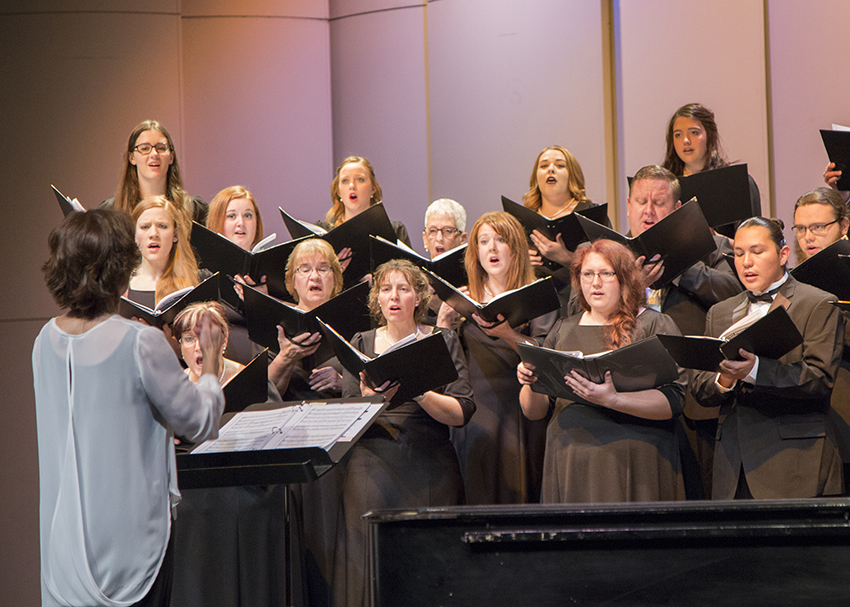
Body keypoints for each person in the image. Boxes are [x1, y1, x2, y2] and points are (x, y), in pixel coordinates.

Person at [33, 209, 224, 607]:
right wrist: (210, 365)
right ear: (119, 268)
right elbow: (200, 421)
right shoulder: (139, 341)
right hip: (131, 545)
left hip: (63, 546)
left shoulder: (43, 342)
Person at [340, 259, 475, 607]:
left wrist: (419, 390)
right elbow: (345, 416)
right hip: (372, 465)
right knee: (374, 567)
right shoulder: (361, 341)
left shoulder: (442, 339)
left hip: (430, 464)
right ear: (377, 299)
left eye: (403, 288)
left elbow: (461, 412)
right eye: (386, 289)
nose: (394, 296)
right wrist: (373, 402)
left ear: (419, 296)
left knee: (433, 571)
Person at [517, 239, 687, 503]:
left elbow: (675, 400)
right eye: (587, 274)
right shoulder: (563, 329)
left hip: (635, 460)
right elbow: (534, 411)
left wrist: (613, 400)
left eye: (606, 274)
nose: (595, 283)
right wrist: (529, 381)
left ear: (625, 279)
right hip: (570, 458)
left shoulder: (654, 325)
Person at [691, 217, 844, 499]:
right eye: (738, 254)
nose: (746, 262)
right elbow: (700, 388)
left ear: (783, 254)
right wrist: (725, 378)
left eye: (757, 252)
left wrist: (754, 371)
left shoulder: (817, 303)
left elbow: (819, 379)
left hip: (794, 461)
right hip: (733, 467)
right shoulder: (720, 312)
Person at [625, 165, 743, 498]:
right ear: (629, 205)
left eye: (658, 202)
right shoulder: (610, 257)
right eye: (640, 201)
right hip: (633, 397)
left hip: (695, 400)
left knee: (700, 497)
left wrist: (681, 269)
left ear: (677, 209)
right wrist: (633, 286)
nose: (648, 210)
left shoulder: (709, 246)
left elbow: (735, 292)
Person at [168, 301, 287, 607]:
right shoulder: (171, 389)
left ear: (223, 342)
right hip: (190, 497)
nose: (199, 347)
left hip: (245, 492)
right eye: (189, 338)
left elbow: (276, 439)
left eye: (207, 337)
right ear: (180, 345)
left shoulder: (254, 380)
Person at [437, 211, 555, 504]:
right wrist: (443, 326)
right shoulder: (465, 299)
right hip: (478, 415)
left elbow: (546, 355)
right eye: (484, 241)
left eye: (500, 240)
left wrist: (507, 333)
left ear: (515, 247)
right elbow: (446, 368)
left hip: (523, 411)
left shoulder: (536, 295)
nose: (491, 248)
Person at [792, 187, 850, 470]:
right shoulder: (793, 282)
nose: (808, 237)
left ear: (844, 226)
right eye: (801, 228)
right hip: (811, 420)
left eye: (817, 227)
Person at [268, 238, 345, 400]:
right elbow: (263, 395)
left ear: (335, 278)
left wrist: (344, 383)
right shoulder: (273, 325)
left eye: (323, 269)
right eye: (305, 269)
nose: (315, 276)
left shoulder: (352, 324)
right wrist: (285, 358)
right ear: (293, 280)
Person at [662, 103, 761, 218]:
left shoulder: (737, 183)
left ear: (710, 136)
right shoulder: (664, 186)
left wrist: (714, 235)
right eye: (678, 135)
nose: (685, 140)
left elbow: (754, 234)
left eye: (694, 132)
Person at [101, 119, 208, 224]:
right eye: (144, 148)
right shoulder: (109, 212)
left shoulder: (195, 210)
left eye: (161, 148)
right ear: (132, 158)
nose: (154, 154)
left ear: (171, 157)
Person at [206, 185, 268, 362]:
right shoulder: (204, 276)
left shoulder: (270, 275)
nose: (241, 222)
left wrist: (263, 303)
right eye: (231, 216)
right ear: (218, 222)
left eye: (248, 215)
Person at [319, 155, 411, 247]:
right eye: (345, 181)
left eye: (360, 179)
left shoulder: (396, 230)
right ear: (338, 192)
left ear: (373, 189)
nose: (352, 185)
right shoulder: (322, 232)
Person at [128, 195, 200, 307]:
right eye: (145, 227)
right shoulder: (120, 285)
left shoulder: (198, 280)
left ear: (175, 234)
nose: (153, 234)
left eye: (162, 226)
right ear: (135, 235)